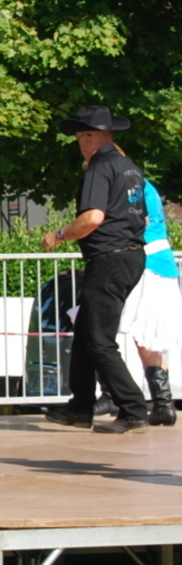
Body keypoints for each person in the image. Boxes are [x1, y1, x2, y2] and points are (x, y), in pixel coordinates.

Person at [43, 105, 150, 434]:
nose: (79, 145)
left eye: (79, 139)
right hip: (129, 255)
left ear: (89, 137)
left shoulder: (99, 168)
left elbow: (93, 218)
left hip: (110, 258)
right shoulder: (129, 168)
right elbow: (141, 217)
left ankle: (133, 410)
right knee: (87, 333)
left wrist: (59, 234)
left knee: (99, 340)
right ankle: (80, 408)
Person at [92, 175, 180, 426]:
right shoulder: (143, 184)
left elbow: (129, 221)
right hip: (160, 262)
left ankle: (113, 394)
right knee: (148, 334)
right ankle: (162, 404)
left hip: (141, 261)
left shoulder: (124, 184)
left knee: (96, 325)